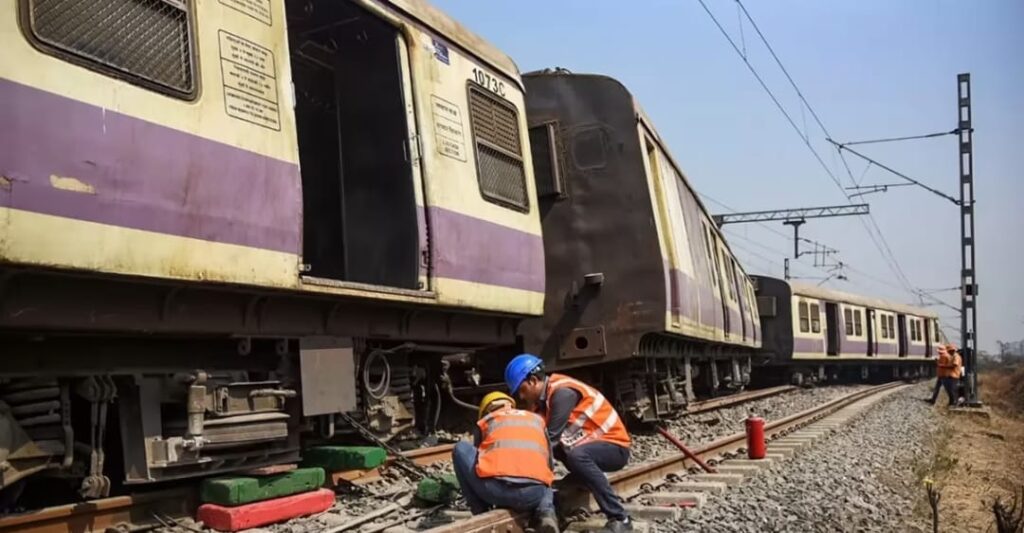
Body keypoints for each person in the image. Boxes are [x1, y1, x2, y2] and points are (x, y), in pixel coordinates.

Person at [505, 354, 634, 533]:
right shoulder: (542, 404)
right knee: (565, 453)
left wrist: (520, 473)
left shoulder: (562, 393)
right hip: (591, 448)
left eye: (521, 390)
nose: (521, 397)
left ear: (533, 381)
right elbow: (534, 438)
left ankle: (620, 518)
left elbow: (549, 440)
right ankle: (583, 477)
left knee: (574, 455)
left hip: (615, 447)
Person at [451, 391, 559, 533]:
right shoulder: (536, 420)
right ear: (510, 405)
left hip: (495, 492)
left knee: (460, 448)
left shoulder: (486, 421)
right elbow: (549, 465)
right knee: (545, 476)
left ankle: (481, 512)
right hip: (533, 495)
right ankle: (546, 512)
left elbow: (478, 462)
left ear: (486, 411)